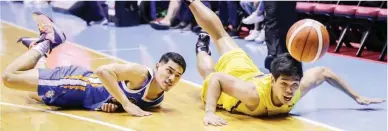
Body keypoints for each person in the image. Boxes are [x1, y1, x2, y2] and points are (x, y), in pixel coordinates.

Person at [184, 0, 386, 126]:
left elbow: (324, 72)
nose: (290, 91)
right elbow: (218, 79)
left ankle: (202, 45)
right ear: (272, 80)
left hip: (248, 74)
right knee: (212, 66)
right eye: (284, 84)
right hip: (237, 80)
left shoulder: (296, 89)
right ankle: (200, 35)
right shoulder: (252, 94)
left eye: (294, 85)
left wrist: (357, 97)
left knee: (215, 54)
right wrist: (210, 112)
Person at [2, 12, 186, 117]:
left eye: (177, 76)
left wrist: (113, 104)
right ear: (157, 67)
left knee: (31, 94)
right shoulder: (141, 75)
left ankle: (37, 47)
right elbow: (102, 70)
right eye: (169, 71)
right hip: (76, 83)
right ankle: (48, 42)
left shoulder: (157, 99)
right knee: (9, 78)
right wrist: (125, 104)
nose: (171, 78)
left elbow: (120, 96)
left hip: (78, 100)